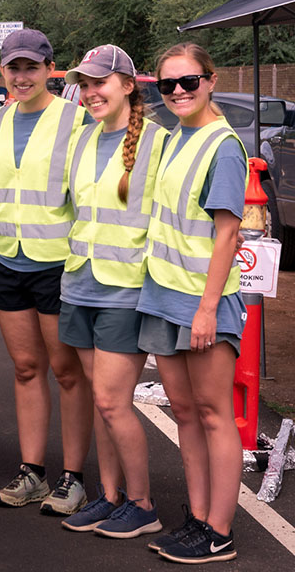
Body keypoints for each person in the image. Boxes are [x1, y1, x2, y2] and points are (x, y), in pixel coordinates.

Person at [137, 43, 247, 564]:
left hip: (204, 301)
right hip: (164, 293)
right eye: (168, 84)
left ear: (211, 80)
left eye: (189, 81)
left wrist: (206, 309)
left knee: (212, 413)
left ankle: (219, 530)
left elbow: (228, 234)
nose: (179, 91)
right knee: (183, 411)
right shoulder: (178, 136)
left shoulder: (222, 145)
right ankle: (199, 518)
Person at [56, 45, 168, 537]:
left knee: (111, 400)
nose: (90, 92)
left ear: (128, 85)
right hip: (80, 282)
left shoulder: (159, 141)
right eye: (84, 84)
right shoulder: (82, 140)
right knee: (100, 401)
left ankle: (142, 505)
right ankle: (109, 495)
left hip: (125, 289)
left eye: (100, 83)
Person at [0, 28, 91, 515]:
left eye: (31, 67)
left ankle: (74, 477)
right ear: (2, 71)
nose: (22, 77)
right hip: (8, 259)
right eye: (14, 68)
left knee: (67, 374)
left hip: (58, 265)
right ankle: (33, 473)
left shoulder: (78, 120)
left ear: (50, 69)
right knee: (26, 370)